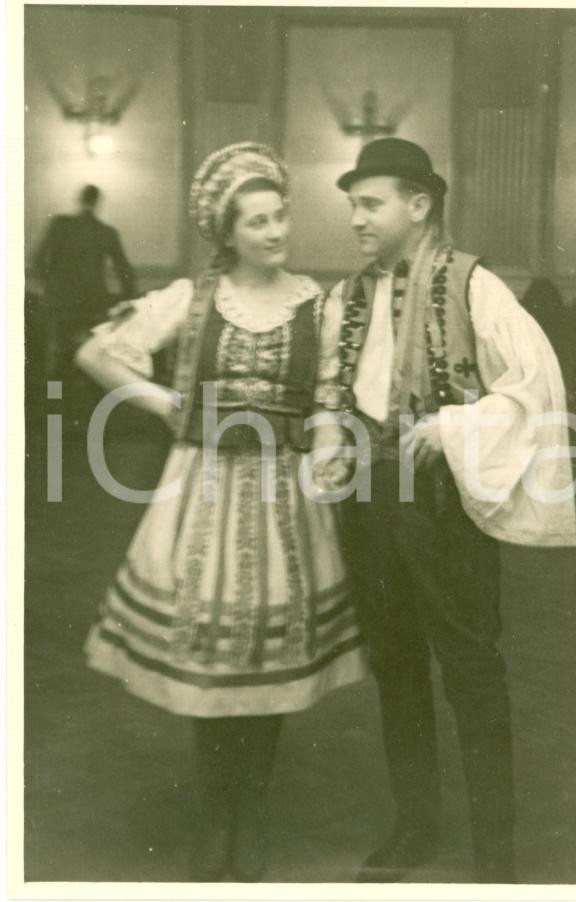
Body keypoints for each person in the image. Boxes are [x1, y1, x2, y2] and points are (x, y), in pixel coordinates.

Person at [74, 144, 366, 882]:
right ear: (228, 234)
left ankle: (253, 809)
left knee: (269, 658)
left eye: (280, 216)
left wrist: (331, 445)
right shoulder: (193, 298)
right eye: (257, 222)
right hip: (203, 491)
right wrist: (167, 404)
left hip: (284, 497)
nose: (275, 231)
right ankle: (216, 815)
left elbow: (329, 397)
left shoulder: (317, 303)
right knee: (210, 657)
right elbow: (96, 354)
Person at [316, 138, 576, 883]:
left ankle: (496, 853)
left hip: (441, 509)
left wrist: (453, 428)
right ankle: (415, 829)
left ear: (418, 205)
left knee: (471, 670)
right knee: (397, 667)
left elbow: (533, 383)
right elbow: (332, 389)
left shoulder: (474, 286)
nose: (357, 219)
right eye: (353, 205)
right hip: (370, 505)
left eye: (371, 204)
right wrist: (331, 436)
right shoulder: (346, 297)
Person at [35, 184, 137, 379]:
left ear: (80, 199)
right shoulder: (106, 232)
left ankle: (55, 397)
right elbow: (124, 270)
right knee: (91, 359)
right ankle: (83, 396)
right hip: (93, 304)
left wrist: (52, 284)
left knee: (57, 359)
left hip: (61, 303)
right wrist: (129, 300)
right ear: (97, 203)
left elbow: (38, 260)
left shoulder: (60, 225)